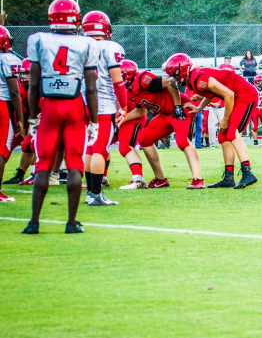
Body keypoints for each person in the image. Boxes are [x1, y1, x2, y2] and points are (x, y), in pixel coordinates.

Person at [23, 0, 99, 234]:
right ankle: (71, 223)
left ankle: (34, 222)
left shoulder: (38, 40)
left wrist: (32, 116)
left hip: (49, 106)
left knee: (43, 164)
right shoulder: (87, 43)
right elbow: (91, 88)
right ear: (76, 19)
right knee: (75, 163)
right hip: (74, 106)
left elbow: (33, 85)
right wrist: (94, 120)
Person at [166, 53, 259, 189]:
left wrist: (225, 119)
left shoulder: (197, 78)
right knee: (223, 136)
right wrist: (199, 108)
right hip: (237, 96)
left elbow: (228, 94)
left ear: (183, 70)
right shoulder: (193, 80)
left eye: (175, 74)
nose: (174, 78)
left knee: (232, 133)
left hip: (245, 94)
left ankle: (248, 173)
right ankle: (229, 178)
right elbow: (211, 94)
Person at [131, 56, 204, 190]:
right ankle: (160, 179)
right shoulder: (130, 91)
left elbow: (171, 82)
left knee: (182, 141)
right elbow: (139, 111)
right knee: (144, 139)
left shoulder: (141, 80)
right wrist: (121, 119)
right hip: (166, 114)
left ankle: (198, 179)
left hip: (181, 108)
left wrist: (177, 106)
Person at [80, 11, 128, 206]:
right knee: (100, 149)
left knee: (90, 149)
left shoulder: (80, 45)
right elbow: (118, 81)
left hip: (84, 103)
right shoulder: (110, 47)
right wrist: (124, 105)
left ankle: (90, 193)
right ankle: (96, 195)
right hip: (103, 105)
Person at [0, 26, 24, 203]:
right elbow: (14, 92)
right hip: (3, 104)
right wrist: (20, 118)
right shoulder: (8, 59)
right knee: (2, 148)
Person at [116, 59, 149, 190]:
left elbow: (141, 111)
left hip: (133, 118)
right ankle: (101, 177)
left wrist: (121, 119)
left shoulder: (137, 88)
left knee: (125, 146)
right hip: (118, 119)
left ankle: (138, 179)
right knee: (100, 145)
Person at [3, 58, 36, 186]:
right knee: (7, 146)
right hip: (23, 119)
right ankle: (20, 175)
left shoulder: (41, 86)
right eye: (24, 73)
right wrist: (20, 124)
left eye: (28, 73)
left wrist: (31, 127)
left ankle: (39, 173)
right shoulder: (19, 86)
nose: (25, 76)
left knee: (32, 144)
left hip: (39, 120)